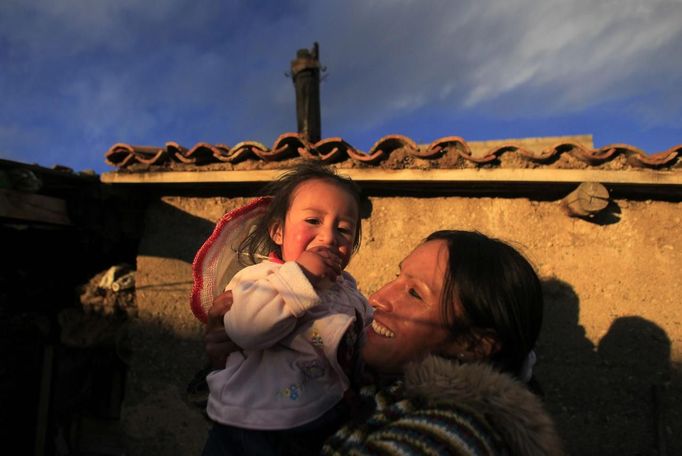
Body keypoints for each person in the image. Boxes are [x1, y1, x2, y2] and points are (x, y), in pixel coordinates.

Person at [205, 230, 565, 455]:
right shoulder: (367, 389)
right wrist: (246, 362)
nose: (378, 298)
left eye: (413, 292)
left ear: (473, 345)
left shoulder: (448, 434)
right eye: (398, 276)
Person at [195, 163, 373, 455]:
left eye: (343, 229)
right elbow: (248, 330)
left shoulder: (349, 292)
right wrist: (301, 275)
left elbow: (360, 336)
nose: (329, 237)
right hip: (251, 425)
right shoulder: (260, 278)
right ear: (278, 231)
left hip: (319, 419)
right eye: (313, 221)